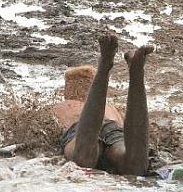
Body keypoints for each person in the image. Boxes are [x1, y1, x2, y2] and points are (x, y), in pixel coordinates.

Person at [51, 33, 154, 176]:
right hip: (114, 129)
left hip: (80, 132)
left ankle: (105, 63)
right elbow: (132, 129)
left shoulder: (63, 106)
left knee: (82, 161)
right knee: (135, 167)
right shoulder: (112, 107)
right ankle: (136, 72)